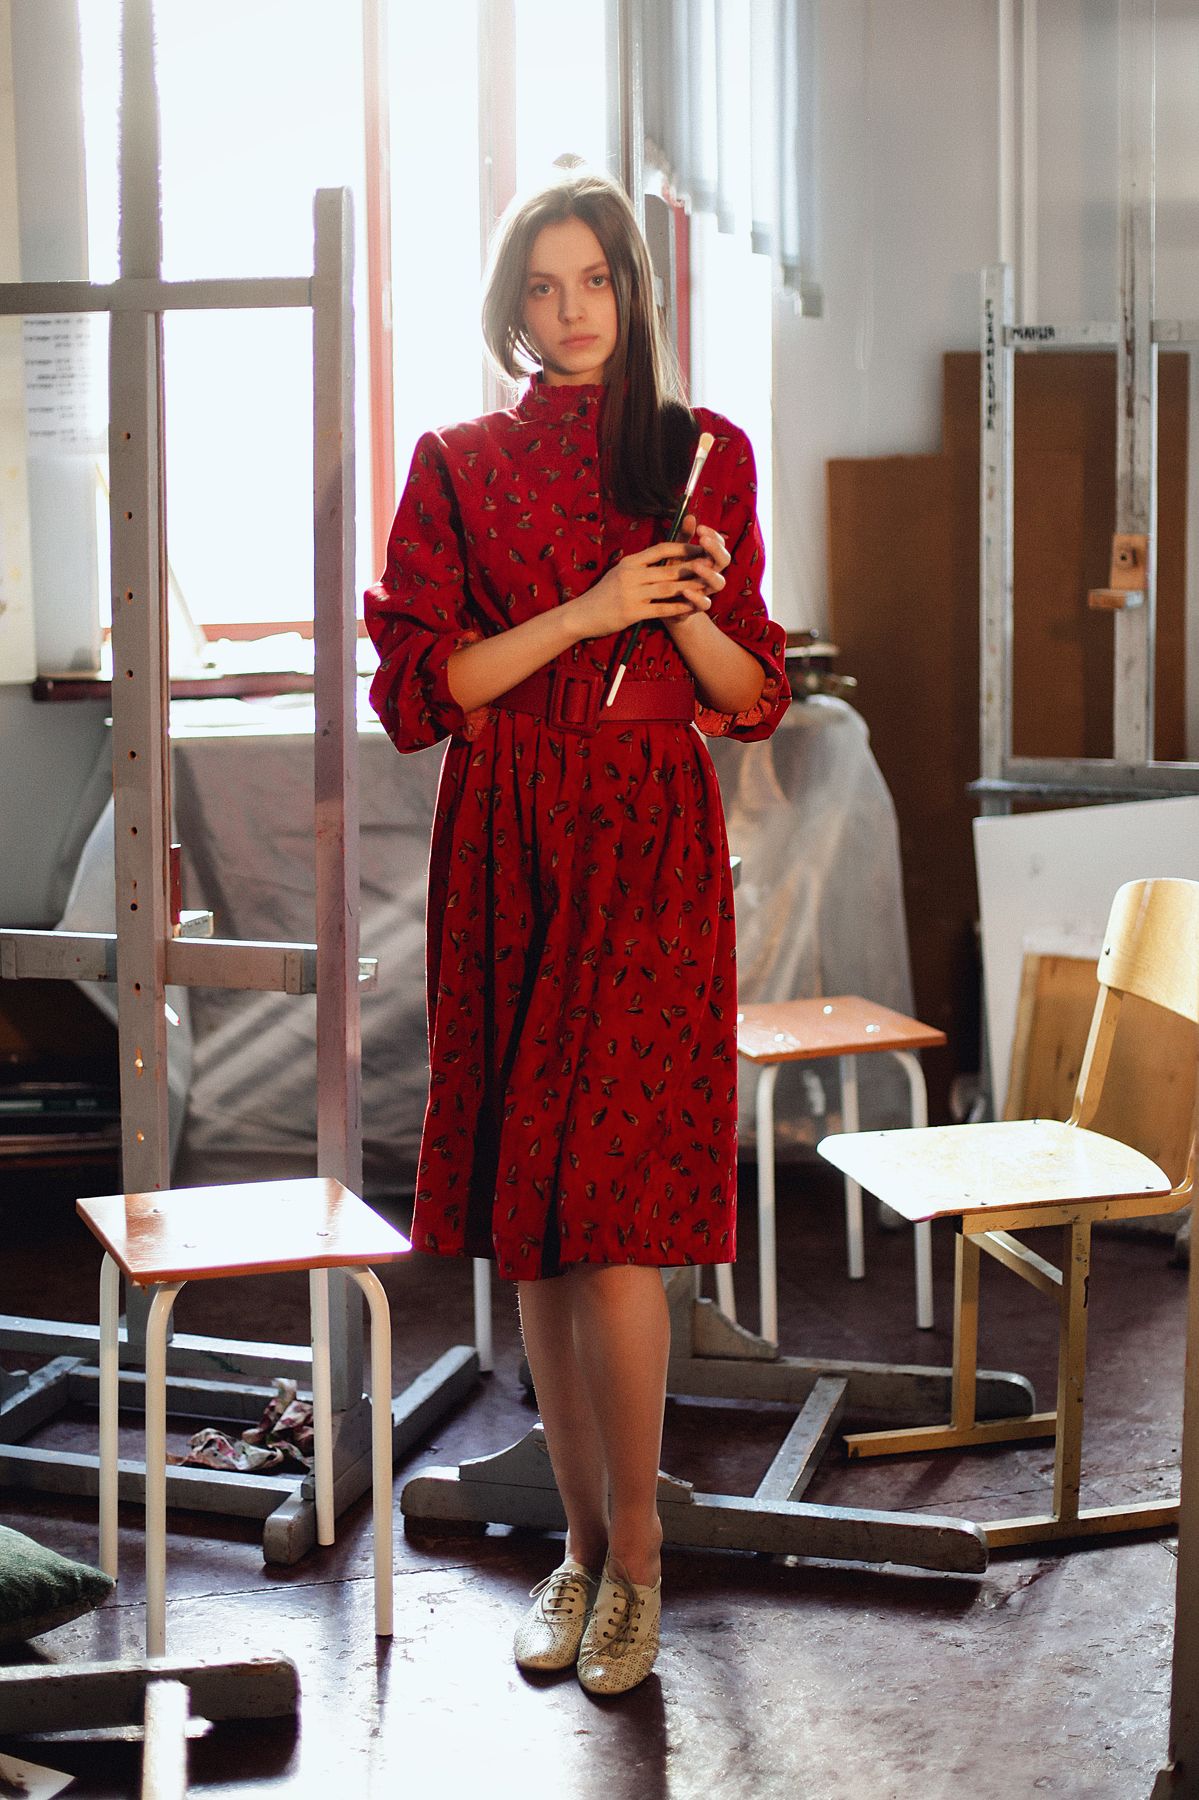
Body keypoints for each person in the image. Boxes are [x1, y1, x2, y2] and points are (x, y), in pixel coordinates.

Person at [365, 168, 788, 1695]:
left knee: (613, 1220)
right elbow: (423, 694)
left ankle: (642, 1564)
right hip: (506, 841)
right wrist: (593, 608)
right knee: (533, 1224)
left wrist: (677, 607)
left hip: (648, 842)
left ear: (632, 290)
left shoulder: (699, 453)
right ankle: (582, 1547)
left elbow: (752, 695)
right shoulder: (456, 465)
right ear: (513, 308)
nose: (570, 310)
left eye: (594, 280)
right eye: (542, 287)